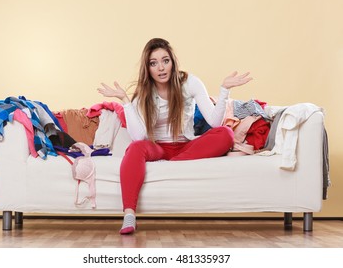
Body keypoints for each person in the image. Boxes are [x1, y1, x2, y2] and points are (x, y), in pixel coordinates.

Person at [97, 38, 252, 234]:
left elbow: (214, 122)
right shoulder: (144, 93)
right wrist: (125, 101)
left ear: (173, 62)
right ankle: (129, 215)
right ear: (148, 68)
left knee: (226, 134)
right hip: (158, 146)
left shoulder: (190, 83)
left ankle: (171, 164)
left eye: (165, 61)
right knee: (135, 148)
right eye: (154, 63)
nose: (161, 68)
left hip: (186, 146)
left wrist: (224, 90)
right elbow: (138, 137)